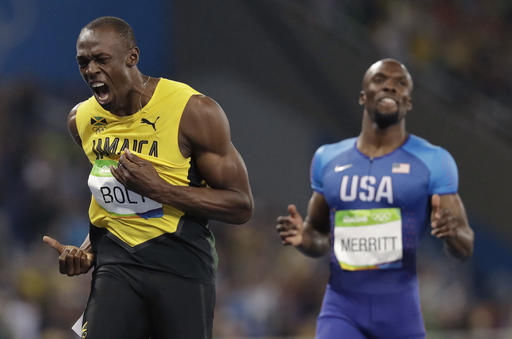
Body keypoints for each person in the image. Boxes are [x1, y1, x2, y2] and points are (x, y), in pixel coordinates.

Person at [42, 16, 253, 339]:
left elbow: (241, 205)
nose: (91, 70)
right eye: (83, 62)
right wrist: (87, 250)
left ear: (132, 57)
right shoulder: (81, 120)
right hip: (116, 266)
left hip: (181, 265)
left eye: (101, 59)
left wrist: (161, 190)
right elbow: (112, 199)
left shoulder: (193, 111)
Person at [276, 58, 474, 339]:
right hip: (341, 310)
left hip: (399, 315)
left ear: (409, 102)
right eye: (380, 80)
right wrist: (304, 239)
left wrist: (453, 234)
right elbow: (319, 237)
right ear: (362, 96)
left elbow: (465, 246)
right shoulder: (328, 159)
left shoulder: (434, 161)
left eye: (400, 83)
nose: (391, 87)